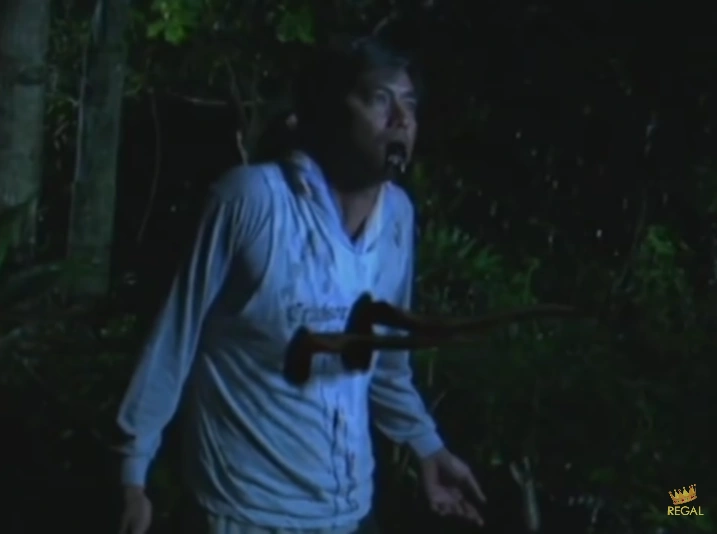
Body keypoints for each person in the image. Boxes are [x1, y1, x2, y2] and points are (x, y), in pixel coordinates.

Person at [115, 35, 486, 534]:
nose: (401, 119)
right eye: (379, 100)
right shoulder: (253, 200)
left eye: (409, 104)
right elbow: (173, 342)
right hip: (244, 512)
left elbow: (385, 362)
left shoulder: (397, 216)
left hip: (350, 514)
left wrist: (427, 446)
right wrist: (133, 472)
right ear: (331, 112)